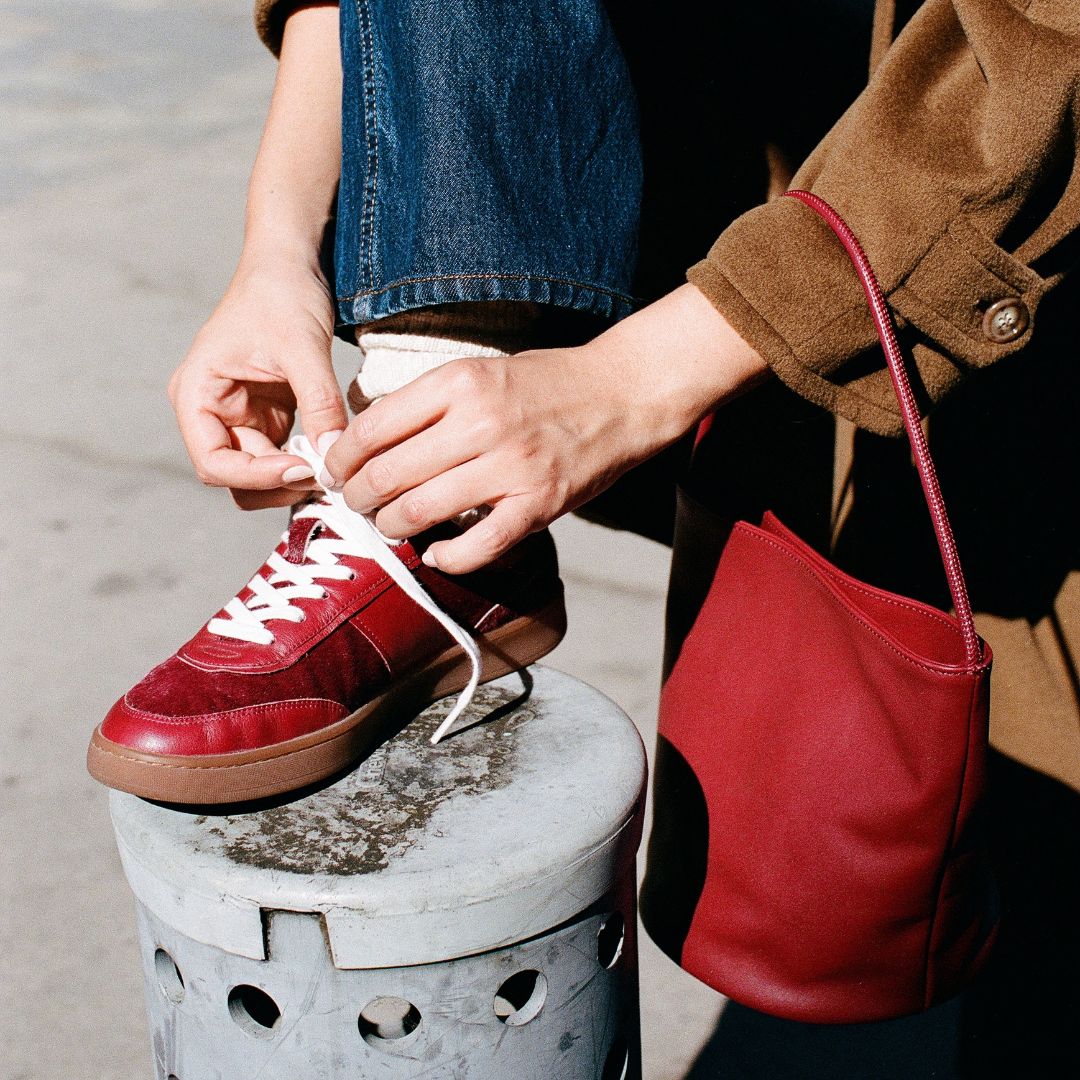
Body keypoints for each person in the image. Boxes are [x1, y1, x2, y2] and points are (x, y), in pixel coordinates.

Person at [97, 0, 1080, 1074]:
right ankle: (439, 538)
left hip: (990, 216)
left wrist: (633, 378)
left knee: (1043, 846)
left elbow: (1047, 52)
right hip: (775, 172)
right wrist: (276, 245)